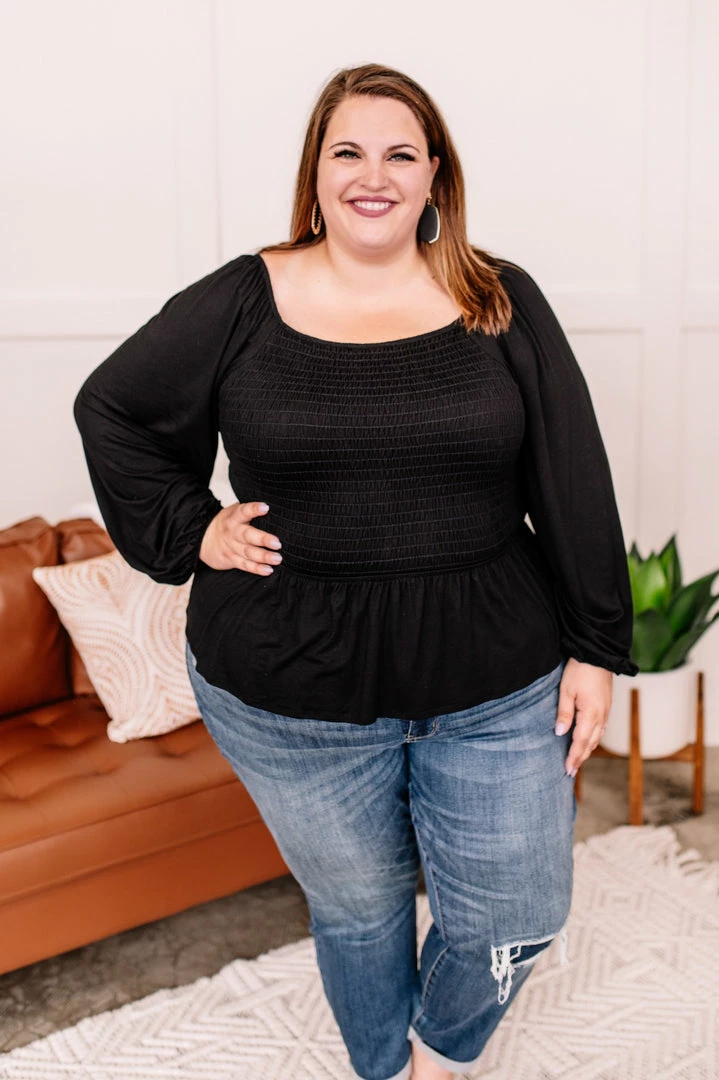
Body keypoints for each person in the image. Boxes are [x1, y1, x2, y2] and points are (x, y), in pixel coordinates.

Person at [74, 63, 638, 1080]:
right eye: (348, 152)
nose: (372, 176)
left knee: (517, 909)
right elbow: (111, 407)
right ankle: (385, 1070)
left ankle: (439, 1049)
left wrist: (595, 648)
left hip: (495, 679)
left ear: (434, 176)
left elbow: (570, 472)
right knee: (359, 910)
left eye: (398, 154)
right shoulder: (244, 297)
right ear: (316, 171)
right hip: (289, 690)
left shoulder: (497, 298)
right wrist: (191, 529)